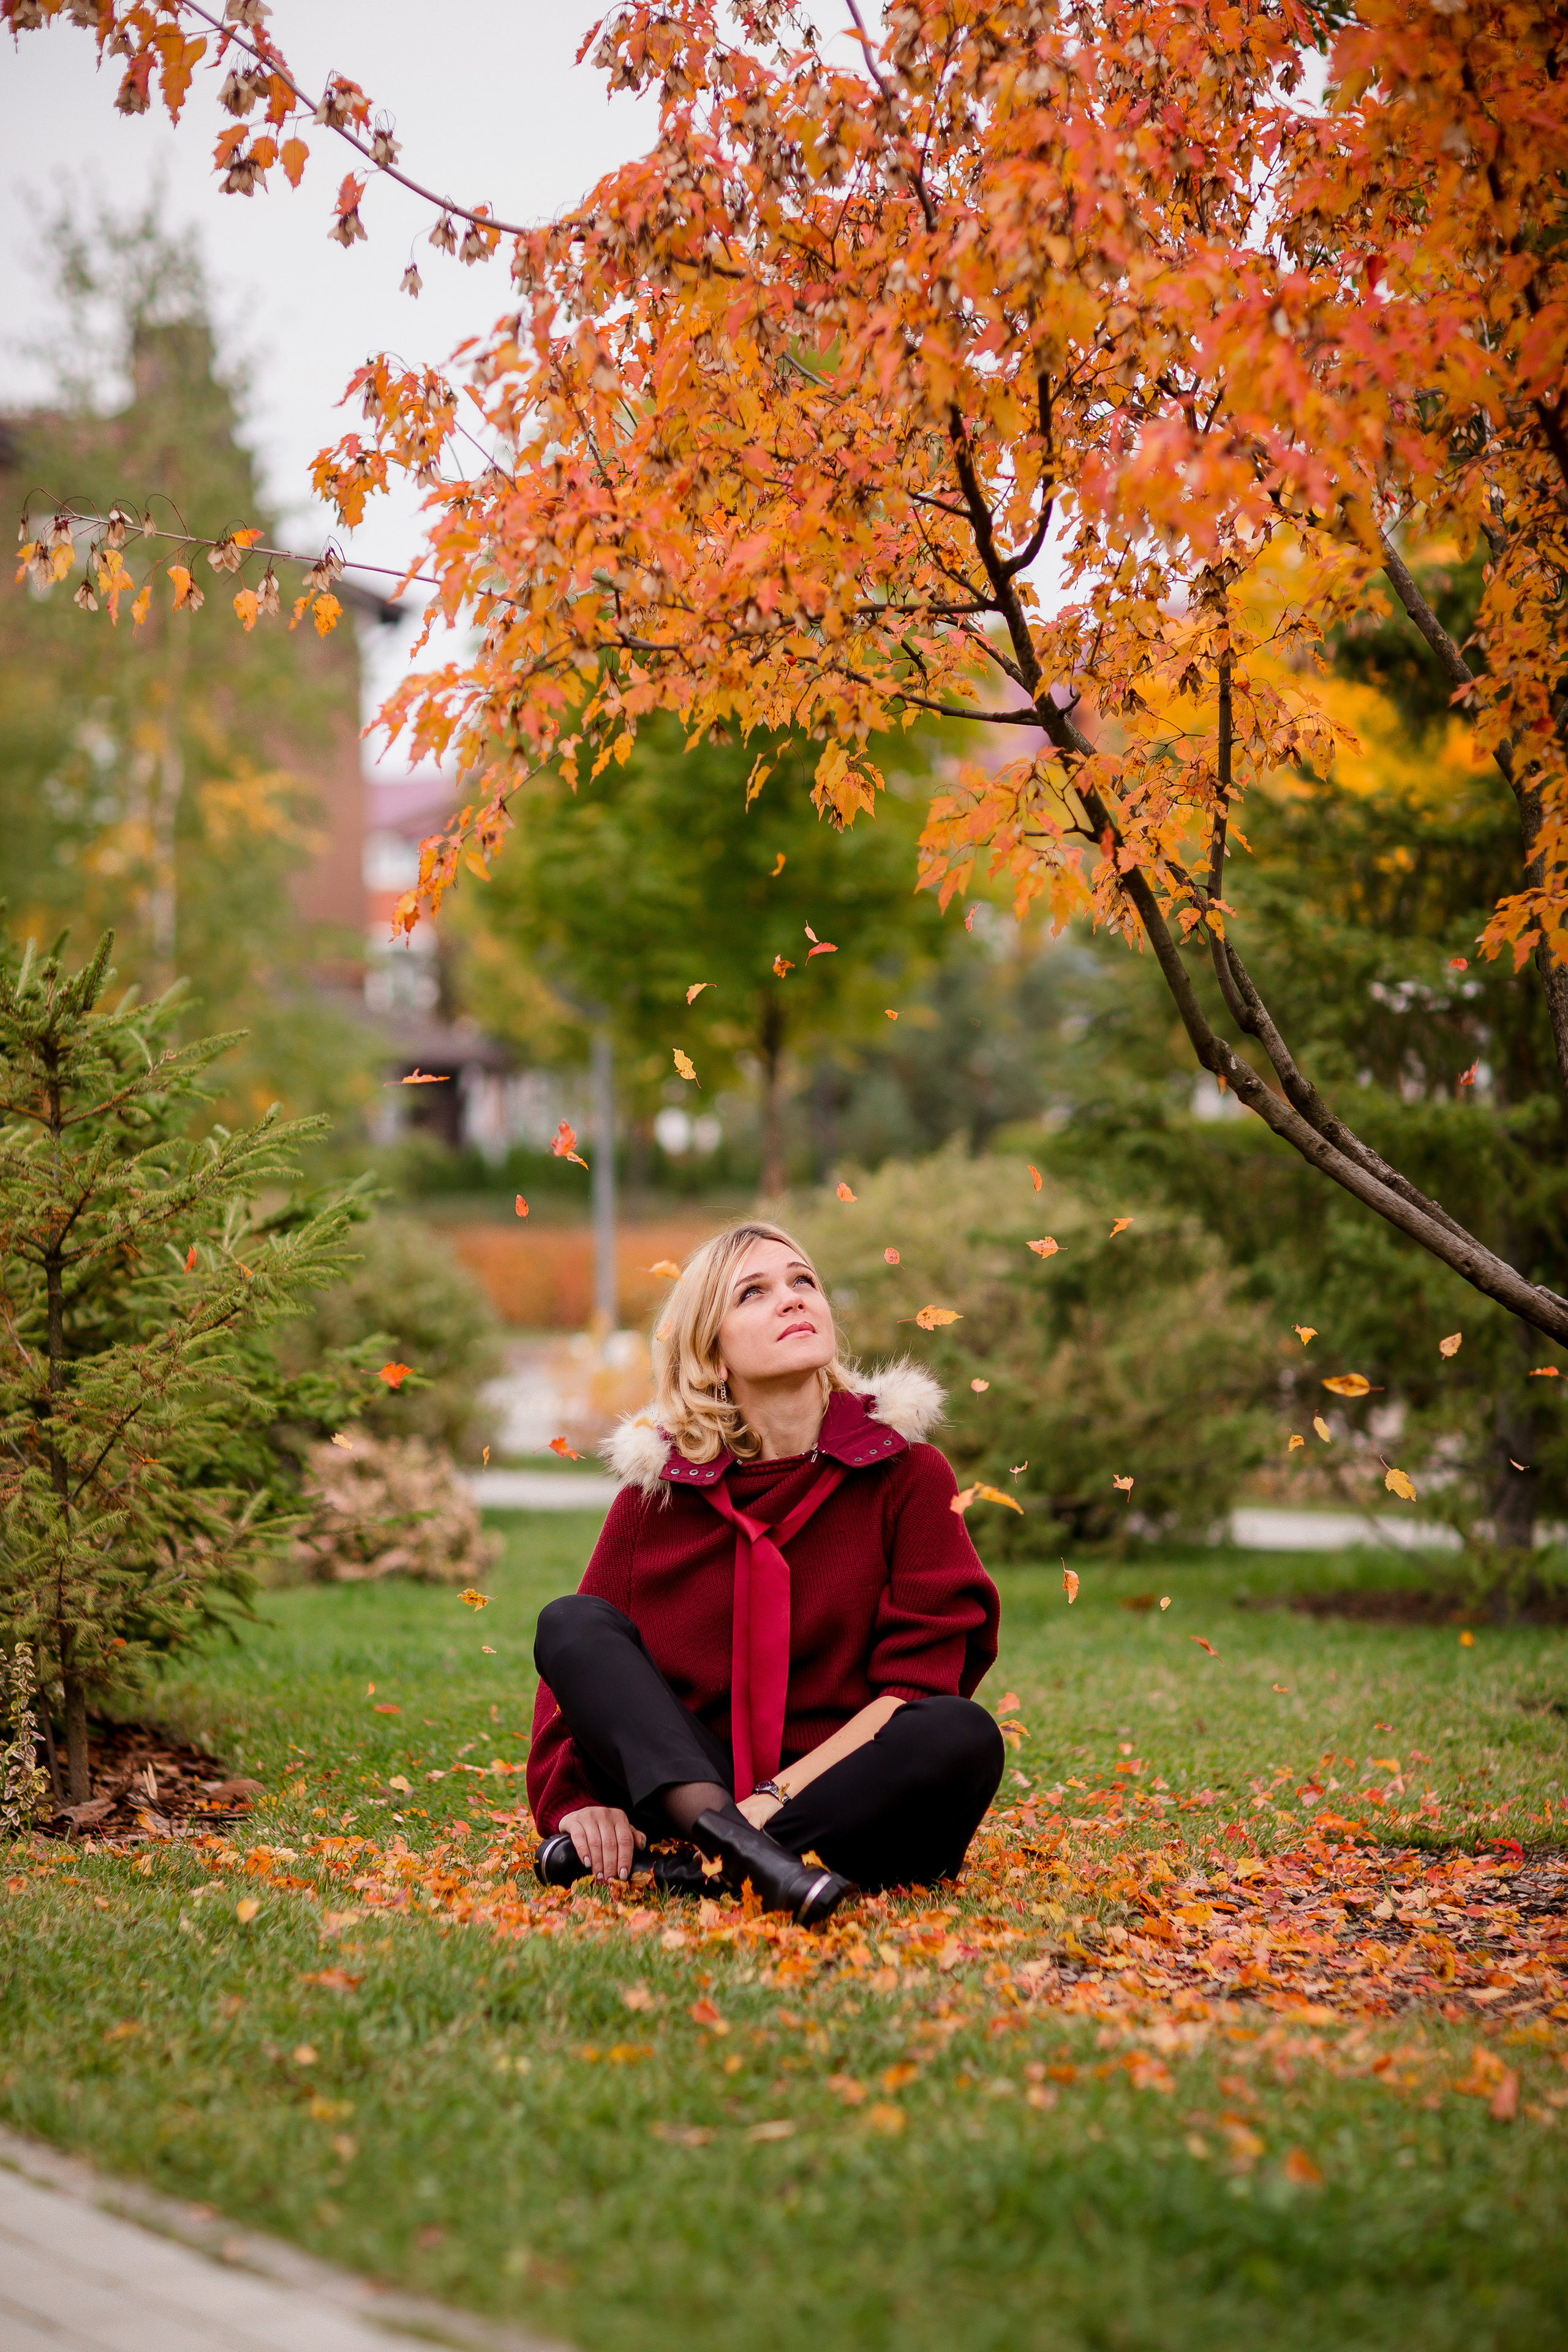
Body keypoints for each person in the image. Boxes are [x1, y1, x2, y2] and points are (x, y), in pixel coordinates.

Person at [526, 1221, 1004, 1926]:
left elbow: (912, 1688)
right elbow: (582, 1685)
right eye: (754, 1292)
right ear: (711, 1354)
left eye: (802, 1282)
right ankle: (744, 1859)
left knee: (960, 1733)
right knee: (570, 1623)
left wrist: (768, 1805)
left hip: (845, 1789)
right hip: (690, 1782)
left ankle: (689, 1866)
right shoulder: (655, 1498)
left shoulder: (907, 1476)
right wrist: (577, 1802)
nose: (791, 1299)